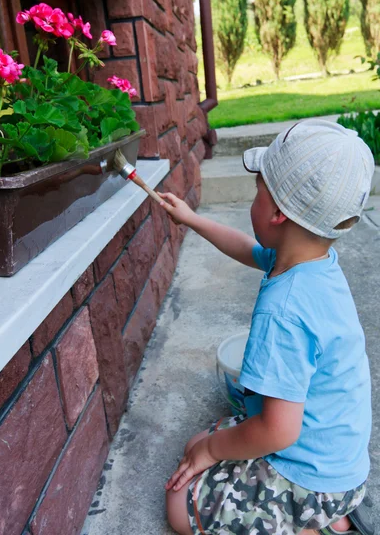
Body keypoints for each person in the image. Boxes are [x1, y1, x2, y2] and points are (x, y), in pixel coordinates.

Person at [157, 119, 375, 535]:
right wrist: (192, 219)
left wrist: (212, 452)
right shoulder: (312, 262)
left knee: (179, 503)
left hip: (307, 477)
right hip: (339, 465)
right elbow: (248, 248)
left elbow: (277, 430)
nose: (251, 200)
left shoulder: (284, 312)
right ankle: (331, 515)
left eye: (257, 190)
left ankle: (314, 525)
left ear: (276, 213)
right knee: (196, 444)